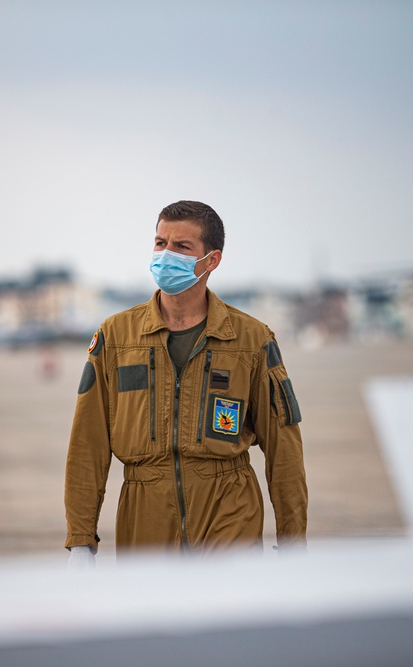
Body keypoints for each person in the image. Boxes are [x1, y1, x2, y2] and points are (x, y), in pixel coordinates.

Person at [64, 200, 307, 567]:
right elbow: (87, 443)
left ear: (212, 260)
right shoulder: (115, 337)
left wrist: (293, 540)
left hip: (228, 505)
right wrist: (81, 540)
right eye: (160, 243)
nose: (166, 255)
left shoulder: (252, 339)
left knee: (225, 616)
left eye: (181, 246)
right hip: (144, 508)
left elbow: (283, 448)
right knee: (153, 620)